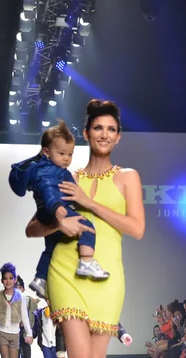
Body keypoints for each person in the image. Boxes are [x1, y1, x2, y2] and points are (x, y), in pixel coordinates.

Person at [25, 99, 145, 358]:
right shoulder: (66, 175)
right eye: (98, 128)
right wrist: (58, 224)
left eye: (111, 129)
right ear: (86, 132)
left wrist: (88, 202)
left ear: (118, 136)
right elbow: (31, 228)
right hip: (66, 271)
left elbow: (136, 228)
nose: (104, 134)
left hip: (107, 276)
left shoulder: (128, 177)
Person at [9, 120, 110, 299]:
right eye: (62, 153)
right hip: (55, 211)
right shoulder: (49, 171)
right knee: (86, 227)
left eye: (70, 154)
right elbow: (49, 190)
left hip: (52, 213)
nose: (66, 158)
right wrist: (58, 212)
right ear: (46, 152)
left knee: (51, 248)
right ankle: (86, 262)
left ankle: (40, 279)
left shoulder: (56, 170)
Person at [15, 275, 39, 358]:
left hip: (26, 331)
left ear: (23, 289)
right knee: (15, 354)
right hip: (14, 332)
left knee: (27, 354)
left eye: (19, 287)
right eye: (15, 288)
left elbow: (34, 317)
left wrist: (32, 333)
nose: (17, 290)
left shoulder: (29, 301)